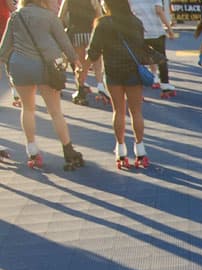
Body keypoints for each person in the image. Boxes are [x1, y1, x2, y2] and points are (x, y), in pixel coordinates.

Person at [0, 0, 85, 170]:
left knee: (28, 109)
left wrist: (8, 68)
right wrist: (76, 62)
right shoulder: (49, 17)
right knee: (55, 112)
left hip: (21, 66)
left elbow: (4, 49)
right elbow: (64, 42)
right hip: (46, 67)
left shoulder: (16, 17)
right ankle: (68, 150)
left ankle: (32, 150)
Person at [86, 0, 148, 169]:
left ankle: (121, 150)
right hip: (133, 73)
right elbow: (142, 48)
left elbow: (93, 51)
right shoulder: (136, 22)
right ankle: (140, 151)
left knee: (118, 111)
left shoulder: (103, 23)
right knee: (136, 112)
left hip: (113, 73)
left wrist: (81, 71)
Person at [59, 0, 106, 106]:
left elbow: (60, 17)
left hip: (76, 32)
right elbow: (100, 15)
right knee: (97, 62)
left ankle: (80, 87)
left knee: (79, 63)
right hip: (91, 33)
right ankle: (100, 86)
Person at [129, 0, 175, 97]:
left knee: (139, 60)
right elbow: (159, 11)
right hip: (156, 31)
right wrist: (169, 29)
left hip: (140, 33)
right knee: (161, 59)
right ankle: (165, 84)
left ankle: (138, 88)